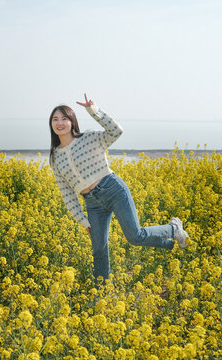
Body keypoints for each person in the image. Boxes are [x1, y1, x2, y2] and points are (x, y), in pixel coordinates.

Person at [49, 93, 189, 284]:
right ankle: (102, 290)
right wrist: (82, 221)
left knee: (135, 236)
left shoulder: (89, 138)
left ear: (72, 121)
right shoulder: (55, 158)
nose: (59, 123)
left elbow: (116, 131)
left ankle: (173, 229)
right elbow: (67, 194)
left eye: (64, 118)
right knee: (98, 249)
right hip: (92, 203)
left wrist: (94, 111)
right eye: (55, 119)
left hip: (113, 189)